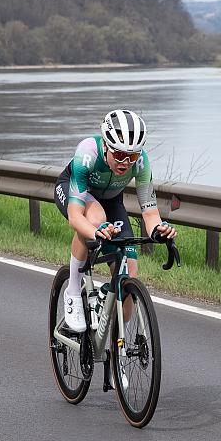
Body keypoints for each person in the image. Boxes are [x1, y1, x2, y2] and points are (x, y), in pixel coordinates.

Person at [54, 109, 176, 332]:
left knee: (129, 281)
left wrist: (159, 229)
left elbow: (149, 213)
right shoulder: (88, 152)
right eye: (119, 155)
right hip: (76, 195)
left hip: (111, 201)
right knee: (95, 218)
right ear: (107, 147)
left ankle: (107, 309)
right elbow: (75, 216)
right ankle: (72, 291)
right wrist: (94, 231)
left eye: (133, 156)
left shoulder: (141, 163)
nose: (126, 162)